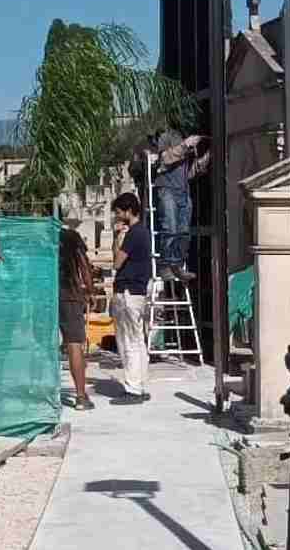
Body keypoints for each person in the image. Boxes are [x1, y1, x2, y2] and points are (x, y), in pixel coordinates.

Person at [144, 129, 208, 282]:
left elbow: (189, 174)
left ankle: (177, 266)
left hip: (183, 191)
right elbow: (165, 159)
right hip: (167, 190)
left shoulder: (186, 149)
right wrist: (186, 145)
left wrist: (205, 159)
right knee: (170, 228)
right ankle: (166, 266)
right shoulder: (167, 139)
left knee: (184, 232)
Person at [109, 191, 152, 403]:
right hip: (136, 291)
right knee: (137, 340)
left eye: (119, 212)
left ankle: (133, 388)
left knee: (128, 341)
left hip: (128, 291)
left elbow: (117, 262)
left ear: (128, 211)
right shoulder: (142, 232)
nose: (117, 216)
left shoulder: (134, 234)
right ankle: (140, 385)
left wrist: (117, 237)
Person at [58, 226, 97, 410]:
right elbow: (84, 265)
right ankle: (81, 397)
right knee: (74, 345)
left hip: (44, 295)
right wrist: (90, 291)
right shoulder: (71, 236)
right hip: (69, 295)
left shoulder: (41, 237)